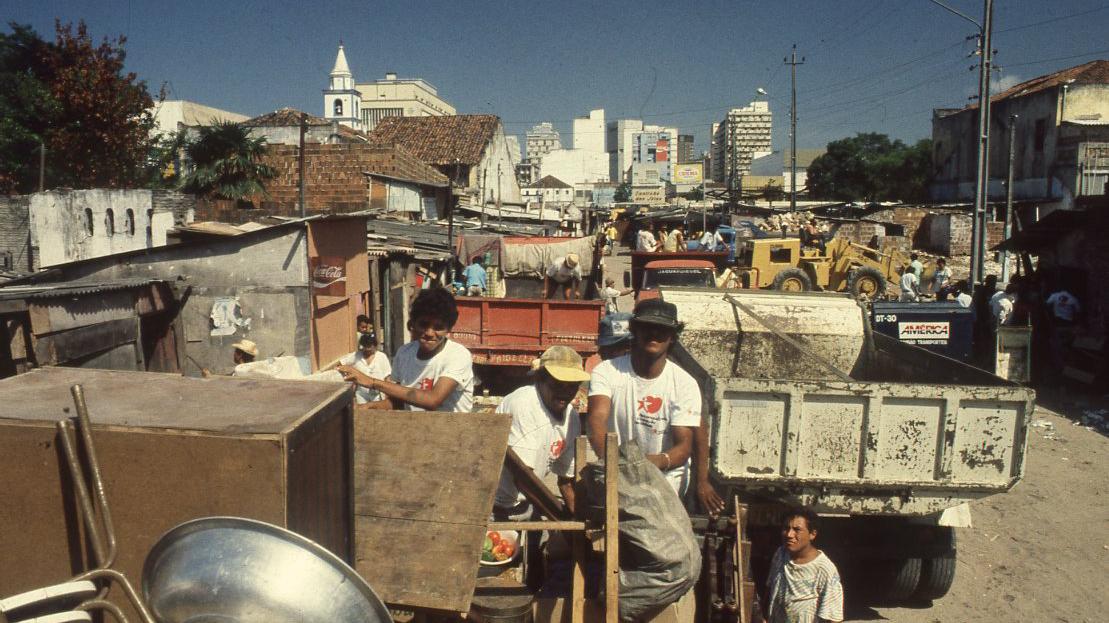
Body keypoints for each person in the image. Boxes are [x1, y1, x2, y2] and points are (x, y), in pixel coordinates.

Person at [587, 299, 700, 495]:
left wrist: (651, 462)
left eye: (661, 329)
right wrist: (613, 461)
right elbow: (596, 420)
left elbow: (683, 447)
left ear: (672, 337)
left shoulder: (685, 383)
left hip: (665, 473)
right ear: (634, 330)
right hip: (617, 467)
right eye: (647, 327)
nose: (653, 334)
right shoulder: (606, 371)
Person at [493, 345, 589, 520]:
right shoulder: (524, 403)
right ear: (540, 379)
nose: (565, 392)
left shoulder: (572, 418)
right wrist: (559, 519)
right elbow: (523, 478)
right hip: (494, 504)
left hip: (528, 501)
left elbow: (566, 481)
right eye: (558, 384)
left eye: (572, 386)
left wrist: (579, 521)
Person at [339, 287, 473, 412]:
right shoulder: (404, 353)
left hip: (452, 433)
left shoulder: (458, 355)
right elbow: (398, 402)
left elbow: (433, 400)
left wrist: (372, 382)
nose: (430, 333)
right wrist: (369, 406)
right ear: (413, 324)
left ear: (449, 328)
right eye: (424, 324)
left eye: (438, 327)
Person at [760, 507, 844, 623]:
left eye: (797, 529)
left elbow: (833, 617)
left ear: (812, 534)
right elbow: (770, 588)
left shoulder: (825, 569)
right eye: (786, 528)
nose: (789, 534)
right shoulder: (781, 554)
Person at [338, 332, 392, 404]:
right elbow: (341, 364)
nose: (368, 348)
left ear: (375, 345)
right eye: (365, 345)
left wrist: (387, 395)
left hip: (377, 393)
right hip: (361, 393)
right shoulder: (356, 355)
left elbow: (387, 377)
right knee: (362, 412)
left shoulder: (382, 357)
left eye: (370, 345)